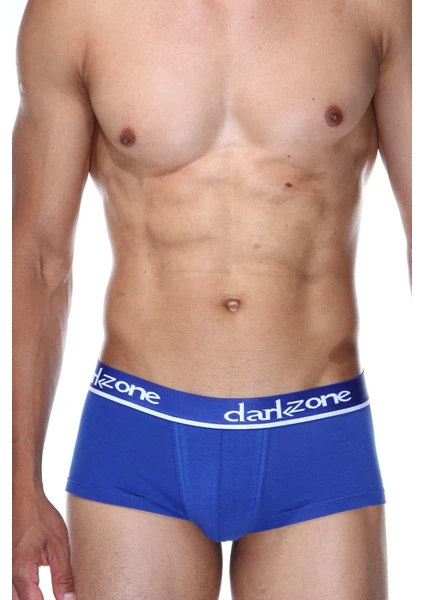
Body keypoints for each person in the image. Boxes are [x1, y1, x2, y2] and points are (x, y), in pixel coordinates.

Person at [12, 0, 411, 597]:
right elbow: (40, 261)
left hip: (317, 436)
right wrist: (20, 487)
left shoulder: (374, 9)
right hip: (138, 435)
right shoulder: (75, 13)